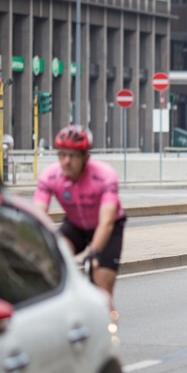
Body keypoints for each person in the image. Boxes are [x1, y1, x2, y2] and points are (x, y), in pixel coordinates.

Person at [33, 125, 126, 296]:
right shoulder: (50, 176)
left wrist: (94, 252)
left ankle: (105, 310)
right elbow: (38, 215)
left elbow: (106, 222)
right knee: (53, 257)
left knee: (102, 289)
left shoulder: (104, 175)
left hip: (108, 228)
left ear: (85, 156)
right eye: (62, 154)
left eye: (73, 155)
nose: (67, 161)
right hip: (75, 224)